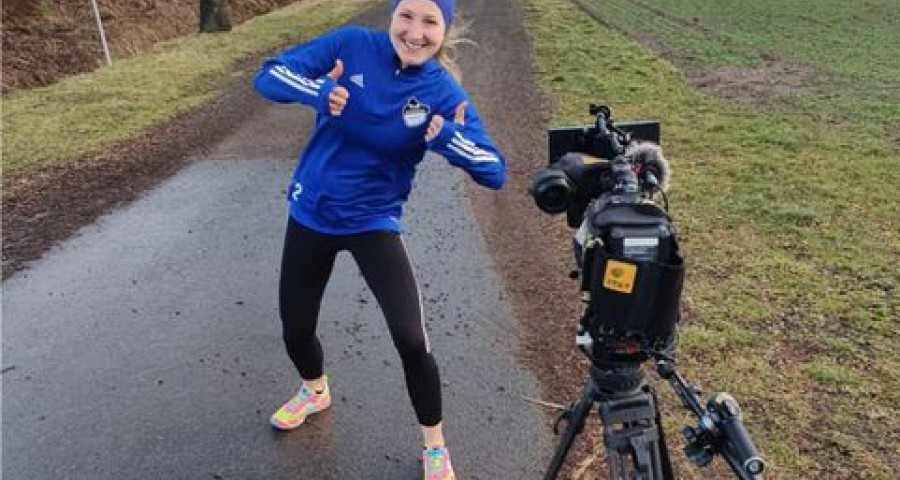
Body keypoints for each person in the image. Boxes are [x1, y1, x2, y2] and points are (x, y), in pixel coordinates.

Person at [252, 0, 506, 478]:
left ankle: (435, 445)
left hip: (373, 221)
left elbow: (495, 171)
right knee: (296, 328)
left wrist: (448, 139)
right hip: (313, 212)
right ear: (392, 15)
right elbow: (267, 75)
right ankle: (315, 390)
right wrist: (318, 91)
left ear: (444, 29)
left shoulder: (442, 92)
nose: (414, 32)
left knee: (411, 338)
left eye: (429, 21)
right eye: (406, 15)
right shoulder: (352, 44)